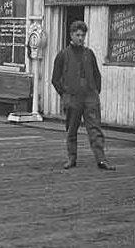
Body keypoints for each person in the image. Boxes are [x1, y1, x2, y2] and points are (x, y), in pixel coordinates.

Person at [51, 20, 115, 171]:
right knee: (71, 129)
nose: (80, 38)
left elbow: (97, 75)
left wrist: (95, 91)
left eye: (83, 35)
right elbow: (55, 79)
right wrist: (65, 95)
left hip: (90, 97)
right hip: (73, 98)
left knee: (95, 129)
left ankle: (101, 160)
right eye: (77, 35)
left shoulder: (89, 53)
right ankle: (71, 158)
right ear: (71, 35)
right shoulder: (62, 55)